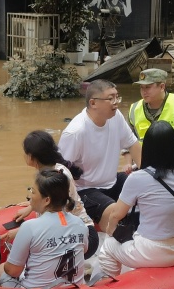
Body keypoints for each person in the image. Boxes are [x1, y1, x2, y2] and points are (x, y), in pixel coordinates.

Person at [97, 121, 174, 279]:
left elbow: (115, 215)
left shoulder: (137, 178)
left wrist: (112, 235)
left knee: (108, 248)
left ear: (147, 149)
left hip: (152, 251)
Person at [58, 78, 143, 226]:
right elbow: (59, 172)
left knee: (149, 193)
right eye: (111, 98)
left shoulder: (116, 117)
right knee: (116, 217)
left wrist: (149, 176)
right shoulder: (76, 132)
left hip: (112, 181)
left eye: (117, 97)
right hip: (86, 190)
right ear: (93, 103)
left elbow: (133, 144)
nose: (116, 102)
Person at [7, 130, 98, 260]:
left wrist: (20, 233)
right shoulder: (55, 170)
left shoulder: (55, 178)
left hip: (80, 238)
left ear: (31, 157)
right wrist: (32, 206)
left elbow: (55, 220)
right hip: (74, 233)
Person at [0, 169, 88, 289]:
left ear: (47, 200)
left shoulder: (29, 227)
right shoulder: (79, 223)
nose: (30, 197)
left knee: (2, 269)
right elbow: (83, 250)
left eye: (33, 192)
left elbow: (13, 271)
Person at [127, 68, 174, 155]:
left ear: (162, 87)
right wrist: (129, 163)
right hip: (145, 163)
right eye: (141, 88)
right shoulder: (134, 109)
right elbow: (128, 141)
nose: (143, 91)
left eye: (147, 87)